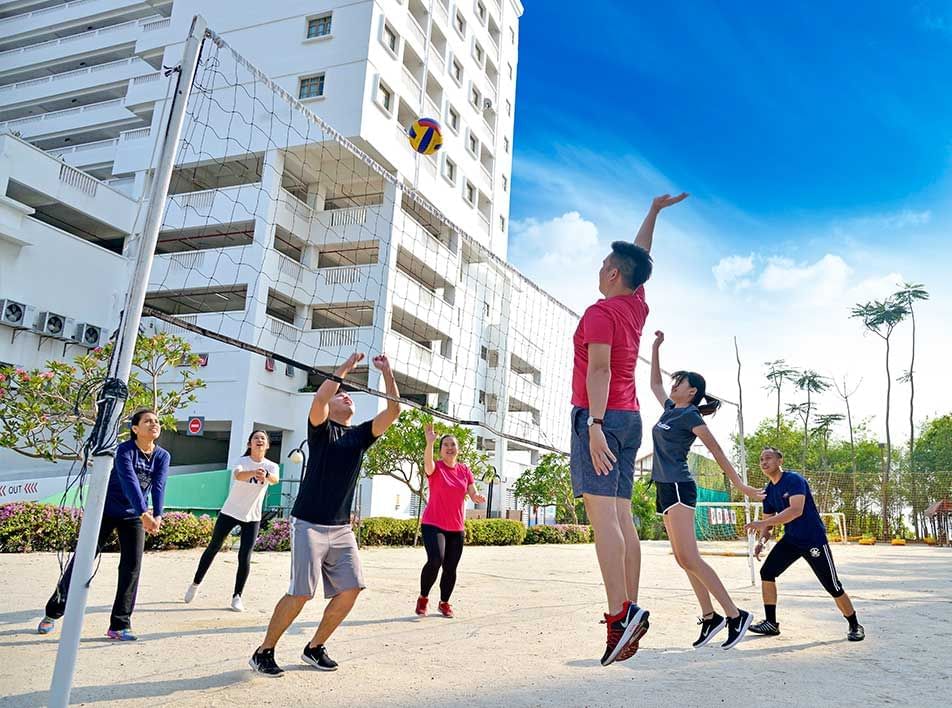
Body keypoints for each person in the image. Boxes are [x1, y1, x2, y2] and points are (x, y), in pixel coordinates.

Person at [570, 192, 687, 666]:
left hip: (601, 417)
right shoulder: (634, 306)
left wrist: (594, 425)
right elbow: (641, 257)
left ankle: (620, 615)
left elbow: (598, 370)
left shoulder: (601, 312)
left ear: (614, 274)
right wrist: (653, 212)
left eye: (605, 265)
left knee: (604, 521)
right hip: (632, 417)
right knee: (620, 516)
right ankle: (631, 605)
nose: (600, 269)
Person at [250, 352, 401, 676]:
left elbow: (394, 410)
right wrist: (346, 368)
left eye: (349, 395)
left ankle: (314, 647)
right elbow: (321, 397)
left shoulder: (361, 435)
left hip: (341, 528)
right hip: (309, 523)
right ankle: (264, 651)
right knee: (302, 592)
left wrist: (387, 373)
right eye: (341, 393)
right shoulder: (319, 429)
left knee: (352, 589)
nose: (346, 396)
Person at [648, 331, 764, 649]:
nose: (673, 386)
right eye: (674, 382)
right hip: (663, 487)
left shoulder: (689, 414)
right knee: (682, 558)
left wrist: (739, 484)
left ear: (692, 391)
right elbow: (655, 385)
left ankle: (735, 615)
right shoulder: (671, 408)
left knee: (690, 557)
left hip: (679, 486)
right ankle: (710, 616)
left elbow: (716, 450)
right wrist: (656, 348)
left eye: (680, 382)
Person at [37, 408, 170, 641]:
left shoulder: (162, 456)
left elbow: (159, 485)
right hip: (106, 511)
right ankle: (53, 612)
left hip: (133, 517)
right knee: (82, 561)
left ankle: (119, 624)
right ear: (135, 429)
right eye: (148, 421)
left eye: (156, 421)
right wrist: (144, 512)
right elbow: (130, 483)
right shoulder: (124, 451)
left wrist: (158, 514)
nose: (154, 424)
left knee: (131, 568)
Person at [745, 447, 865, 642]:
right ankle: (771, 623)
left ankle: (854, 624)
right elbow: (769, 522)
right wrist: (762, 540)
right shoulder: (768, 491)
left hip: (813, 539)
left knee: (832, 585)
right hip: (792, 540)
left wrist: (763, 523)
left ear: (779, 461)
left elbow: (796, 510)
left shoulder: (794, 480)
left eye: (768, 458)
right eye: (761, 459)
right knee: (767, 572)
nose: (764, 462)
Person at [185, 430, 279, 611]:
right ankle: (195, 583)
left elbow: (274, 480)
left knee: (245, 556)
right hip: (230, 512)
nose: (259, 440)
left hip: (252, 517)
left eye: (263, 439)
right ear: (249, 444)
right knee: (213, 547)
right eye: (255, 438)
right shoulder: (241, 461)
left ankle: (237, 596)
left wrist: (265, 476)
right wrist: (254, 472)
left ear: (267, 445)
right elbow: (238, 475)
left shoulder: (271, 466)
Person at [415, 423, 486, 618]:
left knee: (451, 567)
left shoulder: (464, 470)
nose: (449, 447)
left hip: (456, 527)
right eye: (445, 444)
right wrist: (429, 443)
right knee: (435, 560)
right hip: (433, 523)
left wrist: (476, 496)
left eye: (453, 444)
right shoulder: (436, 468)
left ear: (458, 449)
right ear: (440, 450)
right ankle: (423, 598)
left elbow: (472, 490)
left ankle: (444, 603)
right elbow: (427, 463)